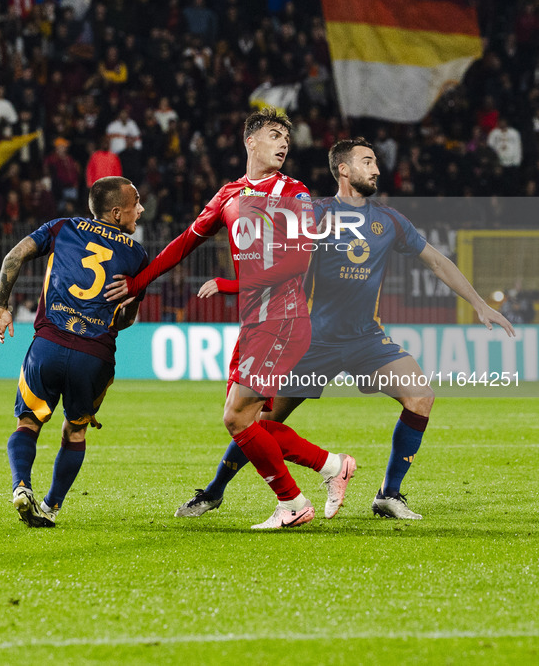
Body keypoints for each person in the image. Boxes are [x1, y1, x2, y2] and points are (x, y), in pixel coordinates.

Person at [174, 138, 516, 520]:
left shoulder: (388, 220)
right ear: (344, 170)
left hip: (365, 338)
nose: (377, 169)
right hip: (309, 339)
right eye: (367, 162)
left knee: (420, 396)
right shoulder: (312, 213)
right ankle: (214, 491)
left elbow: (436, 261)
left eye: (376, 163)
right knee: (260, 424)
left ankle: (389, 494)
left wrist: (479, 303)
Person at [105, 108, 355, 530]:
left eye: (287, 139)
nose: (283, 144)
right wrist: (138, 283)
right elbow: (184, 243)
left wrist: (230, 284)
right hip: (254, 322)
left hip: (285, 317)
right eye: (274, 135)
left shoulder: (296, 193)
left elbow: (299, 261)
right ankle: (332, 465)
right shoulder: (229, 195)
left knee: (235, 418)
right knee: (250, 423)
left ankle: (291, 502)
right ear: (250, 141)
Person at [0, 176, 147, 528]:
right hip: (94, 356)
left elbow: (13, 256)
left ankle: (21, 486)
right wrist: (126, 306)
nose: (142, 208)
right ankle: (50, 506)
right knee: (75, 431)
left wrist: (1, 306)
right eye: (136, 202)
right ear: (117, 212)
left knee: (27, 423)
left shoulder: (62, 227)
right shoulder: (137, 255)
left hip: (48, 345)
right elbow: (124, 321)